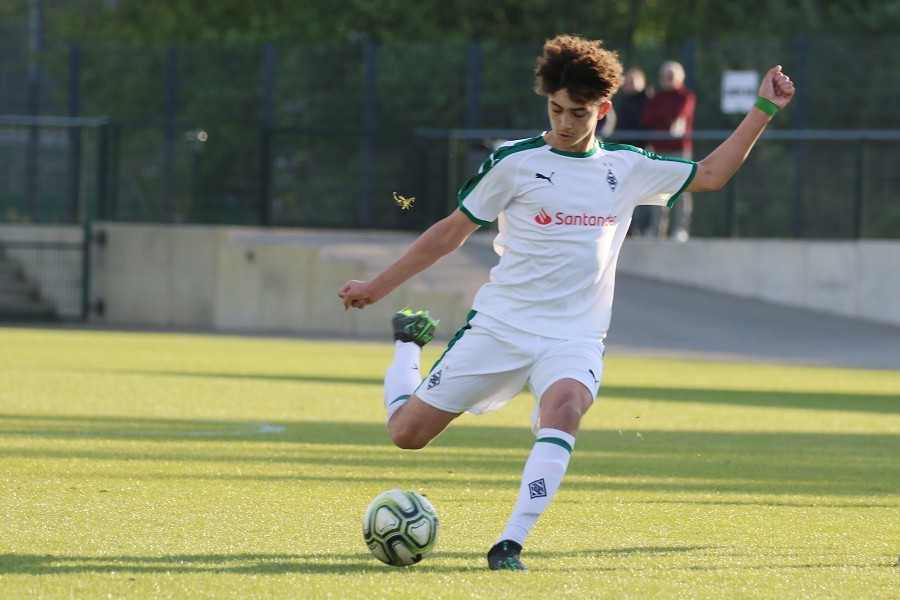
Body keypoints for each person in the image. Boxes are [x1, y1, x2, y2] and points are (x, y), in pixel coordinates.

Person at [339, 34, 794, 571]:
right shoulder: (513, 162)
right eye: (555, 109)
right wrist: (377, 286)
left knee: (566, 409)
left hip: (575, 335)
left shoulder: (626, 168)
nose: (563, 122)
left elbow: (713, 174)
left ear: (603, 111)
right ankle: (404, 348)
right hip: (501, 326)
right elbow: (449, 233)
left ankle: (509, 544)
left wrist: (764, 108)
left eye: (578, 112)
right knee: (406, 435)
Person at [640, 60, 697, 241]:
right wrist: (664, 118)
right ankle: (656, 230)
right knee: (657, 192)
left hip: (679, 151)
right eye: (665, 76)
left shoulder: (686, 96)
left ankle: (681, 229)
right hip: (658, 151)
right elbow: (647, 118)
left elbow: (677, 114)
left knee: (681, 191)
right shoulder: (656, 98)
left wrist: (662, 118)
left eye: (671, 76)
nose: (668, 80)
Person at [612, 67, 653, 235]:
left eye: (634, 80)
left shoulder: (647, 101)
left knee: (647, 193)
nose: (630, 84)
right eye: (627, 81)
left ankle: (648, 227)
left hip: (643, 153)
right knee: (627, 192)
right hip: (625, 154)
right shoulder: (623, 101)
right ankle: (630, 228)